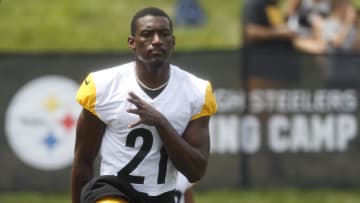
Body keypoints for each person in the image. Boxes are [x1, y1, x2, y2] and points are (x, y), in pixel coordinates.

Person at [71, 7, 217, 203]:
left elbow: (196, 171)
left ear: (172, 42)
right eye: (147, 34)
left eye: (164, 34)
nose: (156, 40)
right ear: (132, 43)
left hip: (162, 195)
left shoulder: (196, 91)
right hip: (113, 190)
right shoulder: (103, 86)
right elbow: (83, 160)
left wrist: (161, 123)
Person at [242, 0, 300, 90]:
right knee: (259, 101)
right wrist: (278, 32)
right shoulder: (255, 3)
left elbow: (277, 25)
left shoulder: (273, 5)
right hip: (258, 68)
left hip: (276, 69)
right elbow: (250, 32)